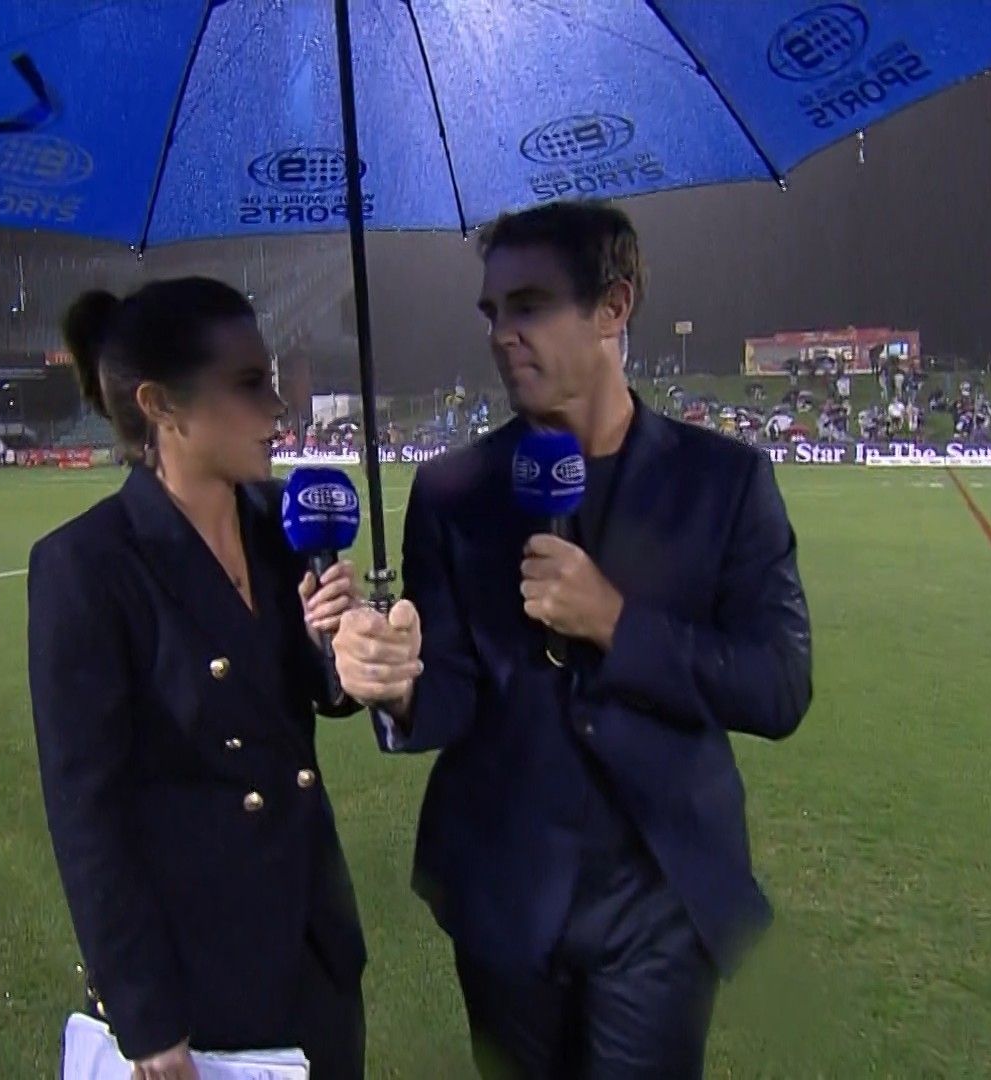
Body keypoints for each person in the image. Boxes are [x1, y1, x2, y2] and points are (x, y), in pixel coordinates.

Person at [331, 201, 813, 1078]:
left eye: (530, 306)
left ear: (613, 307)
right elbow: (452, 692)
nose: (501, 334)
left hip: (661, 897)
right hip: (502, 890)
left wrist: (616, 622)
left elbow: (778, 685)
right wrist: (399, 685)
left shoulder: (724, 483)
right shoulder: (452, 492)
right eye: (492, 312)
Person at [28, 279, 369, 1080]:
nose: (278, 406)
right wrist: (146, 1019)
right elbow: (87, 814)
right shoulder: (87, 565)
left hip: (314, 958)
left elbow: (318, 697)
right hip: (200, 985)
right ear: (161, 406)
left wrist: (345, 647)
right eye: (248, 384)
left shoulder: (284, 526)